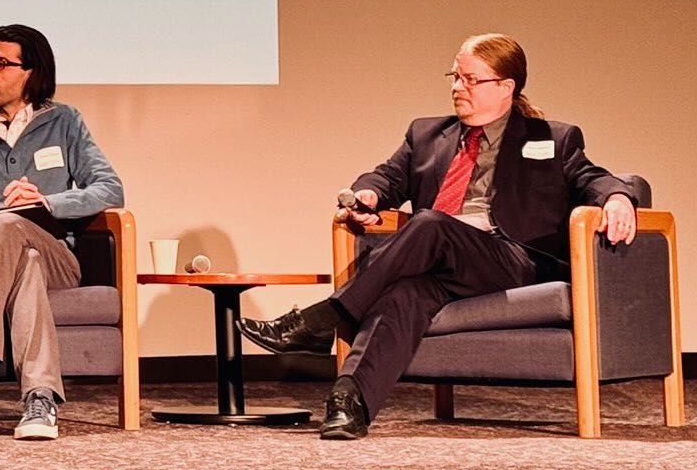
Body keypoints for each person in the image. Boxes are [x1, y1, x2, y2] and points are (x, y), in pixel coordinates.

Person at [238, 32, 639, 440]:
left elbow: (595, 179)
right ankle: (348, 403)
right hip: (442, 264)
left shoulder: (552, 138)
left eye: (470, 79)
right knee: (404, 294)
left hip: (513, 261)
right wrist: (369, 194)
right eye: (454, 76)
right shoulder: (427, 134)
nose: (457, 87)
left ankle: (326, 318)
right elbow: (385, 177)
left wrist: (619, 198)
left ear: (506, 87)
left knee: (428, 223)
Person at [0, 24, 125, 440]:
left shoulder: (65, 122)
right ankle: (40, 396)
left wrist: (48, 204)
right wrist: (5, 210)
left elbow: (110, 188)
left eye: (1, 63)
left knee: (29, 245)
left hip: (56, 255)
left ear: (30, 72)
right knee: (18, 248)